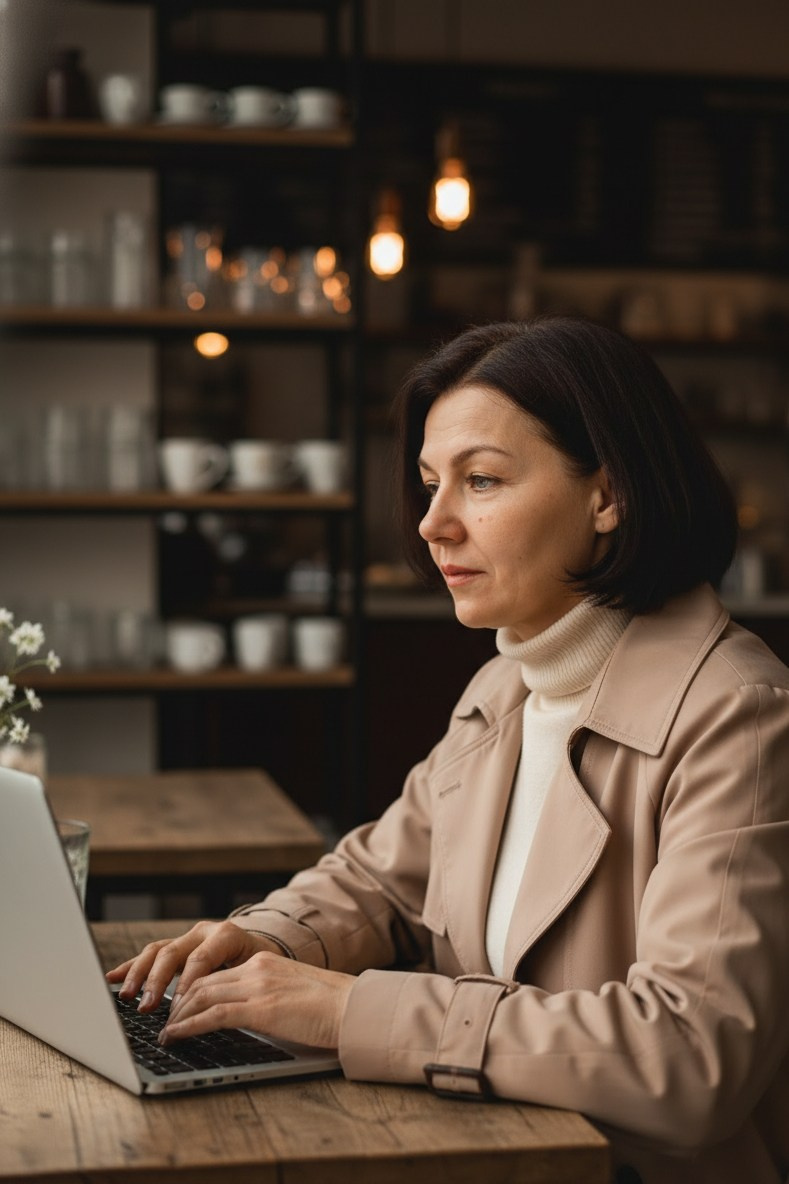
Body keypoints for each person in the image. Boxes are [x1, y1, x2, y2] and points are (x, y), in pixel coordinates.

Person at [109, 316, 789, 1184]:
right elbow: (381, 879)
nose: (433, 524)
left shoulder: (738, 715)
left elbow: (689, 1057)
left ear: (607, 496)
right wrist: (263, 944)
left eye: (481, 481)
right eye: (430, 484)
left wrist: (352, 1011)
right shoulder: (506, 686)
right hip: (486, 1151)